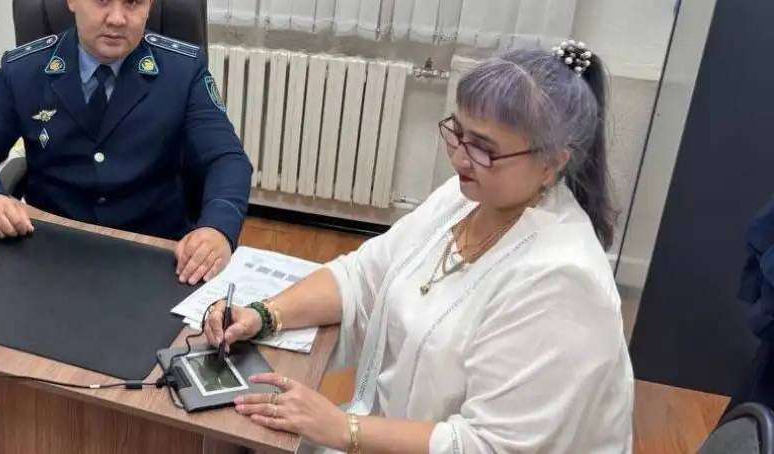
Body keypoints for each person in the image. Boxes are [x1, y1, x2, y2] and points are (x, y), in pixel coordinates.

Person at [205, 43, 634, 452]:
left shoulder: (564, 280)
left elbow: (490, 445)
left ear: (553, 162)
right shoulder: (465, 198)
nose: (460, 158)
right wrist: (264, 314)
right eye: (458, 133)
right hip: (385, 430)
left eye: (483, 149)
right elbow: (363, 276)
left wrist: (341, 429)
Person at [0, 0, 252, 284]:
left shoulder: (183, 70)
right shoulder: (25, 70)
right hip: (49, 248)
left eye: (132, 2)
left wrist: (217, 229)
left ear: (149, 4)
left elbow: (226, 159)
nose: (117, 18)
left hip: (155, 253)